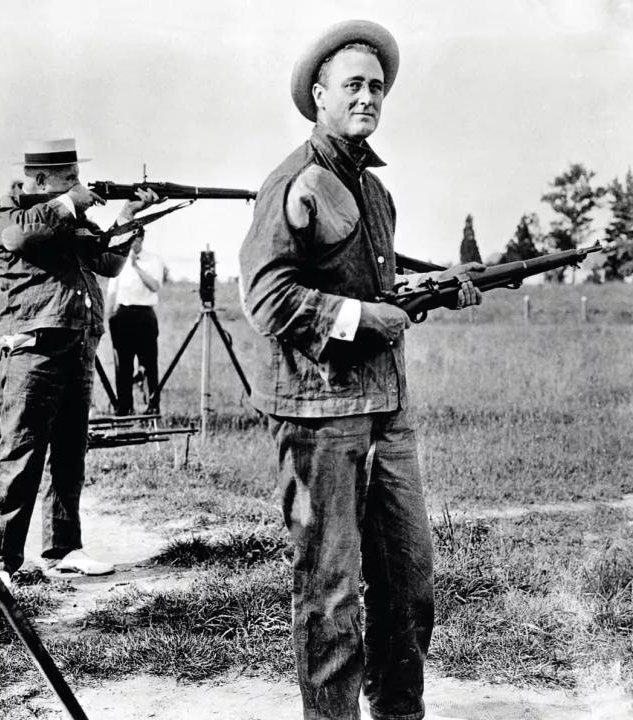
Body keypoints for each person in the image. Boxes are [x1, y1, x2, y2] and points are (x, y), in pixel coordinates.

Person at [238, 20, 482, 720]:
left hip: (389, 408)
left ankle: (399, 712)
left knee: (410, 581)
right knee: (331, 591)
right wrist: (360, 320)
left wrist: (445, 283)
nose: (368, 97)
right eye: (353, 85)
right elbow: (267, 296)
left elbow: (381, 283)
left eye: (377, 87)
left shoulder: (376, 193)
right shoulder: (293, 182)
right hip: (319, 417)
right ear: (319, 95)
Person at [0, 138, 158, 587]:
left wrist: (126, 218)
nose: (79, 185)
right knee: (22, 451)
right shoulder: (6, 211)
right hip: (33, 348)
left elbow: (107, 262)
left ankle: (62, 550)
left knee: (68, 454)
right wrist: (67, 203)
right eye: (70, 178)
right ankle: (0, 559)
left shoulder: (68, 216)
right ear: (42, 180)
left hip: (79, 344)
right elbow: (17, 237)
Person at [106, 233, 165, 416]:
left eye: (135, 240)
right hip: (123, 315)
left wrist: (135, 266)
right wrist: (108, 316)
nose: (131, 245)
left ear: (141, 240)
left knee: (149, 364)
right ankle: (124, 408)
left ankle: (152, 408)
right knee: (123, 366)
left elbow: (155, 286)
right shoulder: (118, 260)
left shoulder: (153, 260)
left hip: (144, 315)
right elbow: (111, 292)